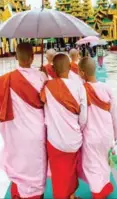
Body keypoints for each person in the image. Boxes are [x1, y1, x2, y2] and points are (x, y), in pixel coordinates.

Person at [0, 43, 47, 199]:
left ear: (16, 57)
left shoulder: (6, 79)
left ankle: (20, 192)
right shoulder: (41, 77)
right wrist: (44, 75)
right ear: (33, 57)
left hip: (16, 132)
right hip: (37, 131)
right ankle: (37, 194)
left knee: (19, 162)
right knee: (37, 165)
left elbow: (0, 109)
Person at [40, 54, 87, 199]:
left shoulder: (47, 87)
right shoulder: (79, 86)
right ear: (69, 67)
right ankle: (71, 195)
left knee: (59, 173)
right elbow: (83, 117)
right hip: (74, 138)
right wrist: (78, 128)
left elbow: (41, 103)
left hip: (55, 140)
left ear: (53, 68)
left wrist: (42, 75)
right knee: (71, 169)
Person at [78, 57, 117, 199]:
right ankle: (105, 186)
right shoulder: (106, 88)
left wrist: (80, 129)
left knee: (92, 166)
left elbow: (82, 118)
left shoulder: (82, 90)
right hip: (107, 135)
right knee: (104, 163)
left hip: (91, 136)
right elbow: (115, 114)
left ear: (82, 73)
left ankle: (98, 193)